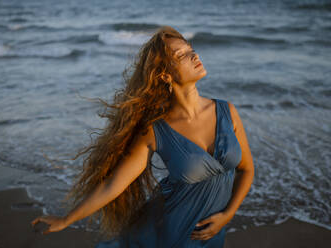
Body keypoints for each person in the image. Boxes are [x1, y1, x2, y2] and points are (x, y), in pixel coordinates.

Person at [31, 25, 255, 247]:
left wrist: (228, 215)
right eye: (182, 55)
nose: (194, 55)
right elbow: (113, 185)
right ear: (165, 75)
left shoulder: (227, 111)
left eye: (191, 50)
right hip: (172, 235)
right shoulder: (156, 131)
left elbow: (246, 170)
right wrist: (66, 219)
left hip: (213, 234)